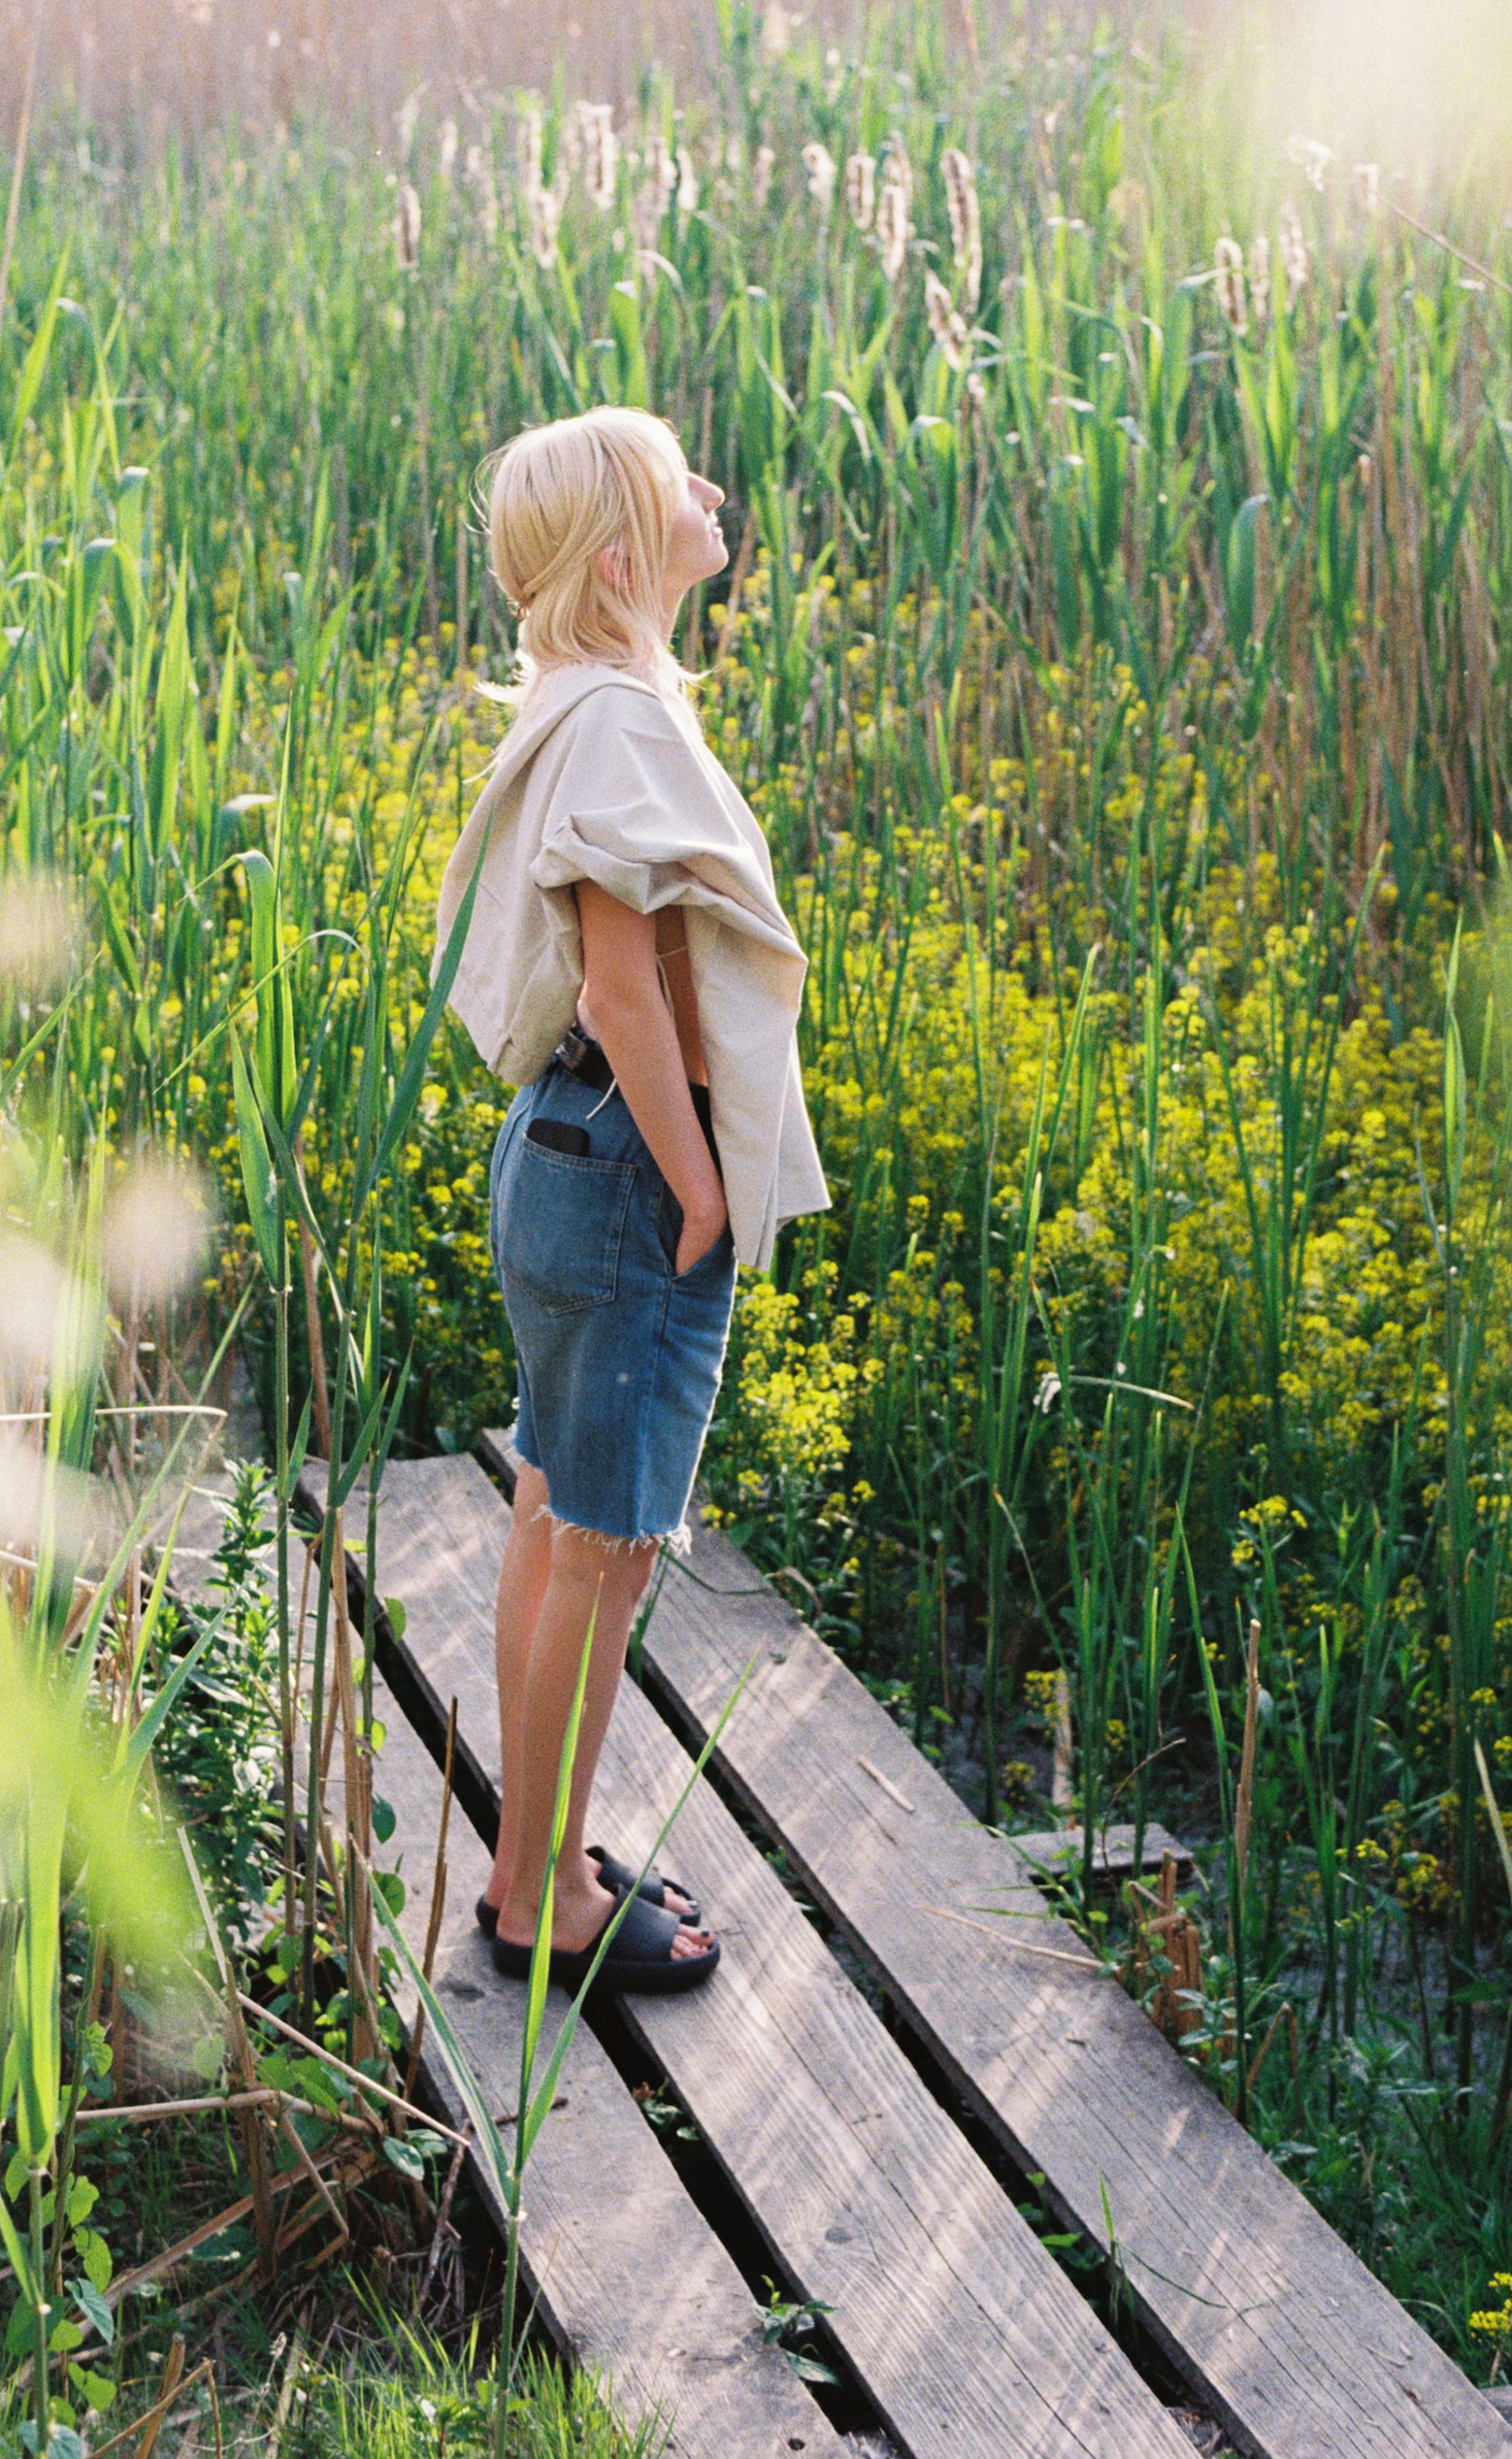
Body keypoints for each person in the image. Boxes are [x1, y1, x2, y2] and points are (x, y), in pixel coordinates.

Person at [432, 406, 830, 1998]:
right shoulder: (619, 728)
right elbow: (625, 987)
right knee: (604, 1545)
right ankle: (540, 1906)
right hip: (623, 1170)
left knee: (558, 1508)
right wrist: (701, 1190)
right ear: (620, 553)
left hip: (570, 1155)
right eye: (683, 486)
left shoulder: (586, 699)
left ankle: (541, 1856)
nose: (715, 494)